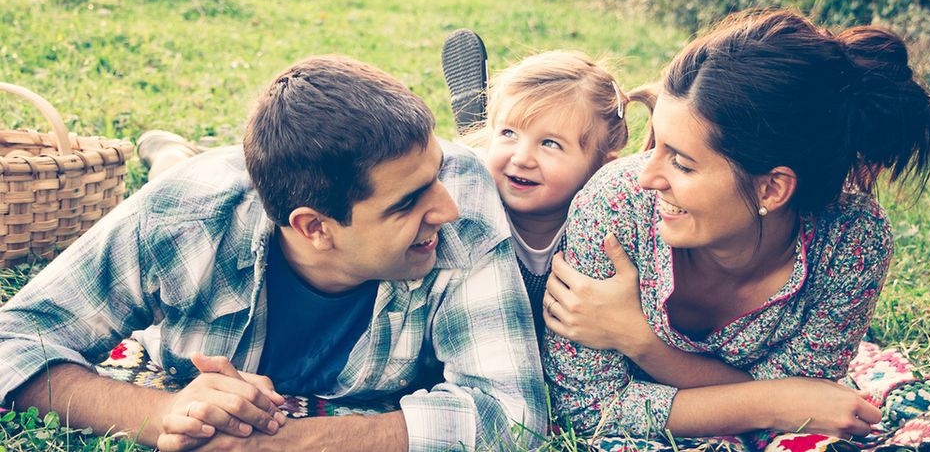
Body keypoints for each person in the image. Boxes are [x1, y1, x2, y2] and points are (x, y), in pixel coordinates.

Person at [0, 56, 546, 451]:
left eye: (436, 175)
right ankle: (171, 155)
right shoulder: (181, 216)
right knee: (178, 175)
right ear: (315, 228)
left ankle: (173, 150)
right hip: (212, 193)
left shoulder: (462, 199)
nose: (446, 209)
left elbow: (513, 412)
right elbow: (14, 341)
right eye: (406, 204)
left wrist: (283, 443)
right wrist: (163, 412)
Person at [541, 9, 930, 439]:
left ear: (772, 189)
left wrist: (640, 343)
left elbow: (807, 398)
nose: (647, 176)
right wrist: (778, 403)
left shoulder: (852, 242)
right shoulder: (617, 206)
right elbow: (588, 408)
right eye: (657, 145)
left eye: (682, 163)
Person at [459, 50, 652, 341]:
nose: (522, 158)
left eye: (550, 144)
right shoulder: (474, 207)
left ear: (601, 169)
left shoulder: (605, 230)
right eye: (508, 133)